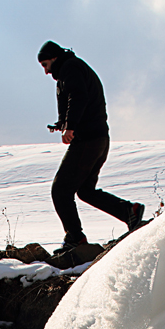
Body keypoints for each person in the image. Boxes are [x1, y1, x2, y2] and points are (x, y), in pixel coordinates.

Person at [38, 40, 145, 255]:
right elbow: (82, 100)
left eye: (46, 65)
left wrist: (70, 126)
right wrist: (62, 123)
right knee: (85, 191)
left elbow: (78, 97)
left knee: (60, 190)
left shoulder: (70, 67)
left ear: (55, 58)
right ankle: (129, 212)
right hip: (100, 139)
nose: (46, 71)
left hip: (87, 140)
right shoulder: (73, 68)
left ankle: (75, 238)